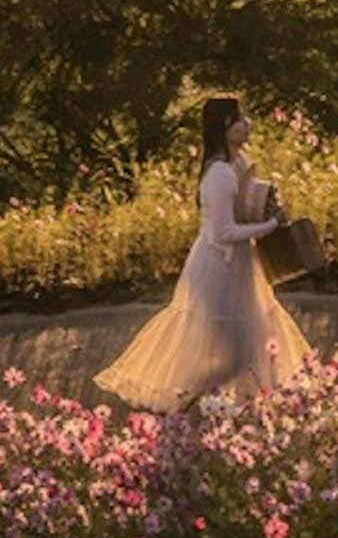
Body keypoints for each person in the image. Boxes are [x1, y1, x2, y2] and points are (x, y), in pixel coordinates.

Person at [99, 99, 314, 411]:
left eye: (245, 118)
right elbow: (222, 233)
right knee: (236, 350)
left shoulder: (238, 163)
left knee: (253, 343)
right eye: (238, 120)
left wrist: (265, 205)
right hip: (218, 269)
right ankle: (184, 398)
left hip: (239, 266)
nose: (247, 124)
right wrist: (270, 225)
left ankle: (219, 404)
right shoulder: (220, 174)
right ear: (222, 129)